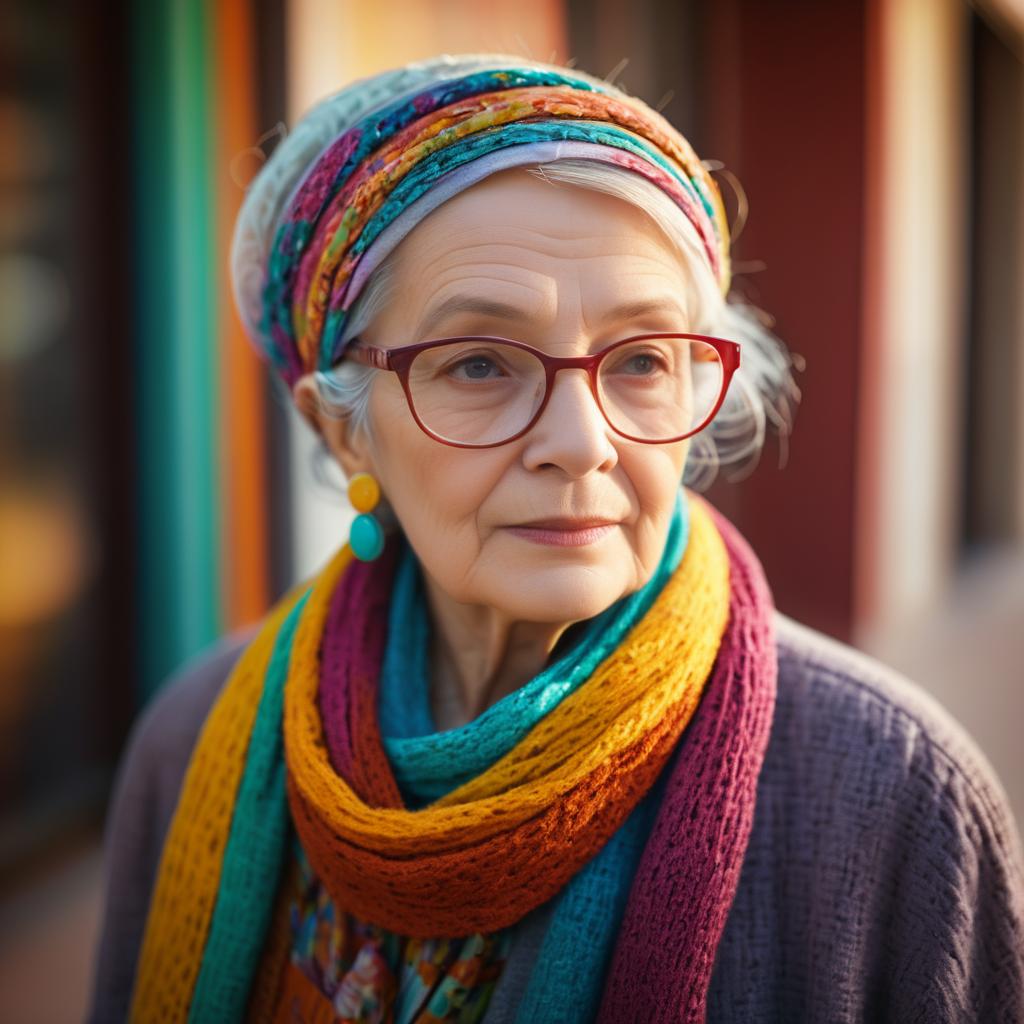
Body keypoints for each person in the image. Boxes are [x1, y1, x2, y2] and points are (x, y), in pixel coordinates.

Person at [87, 53, 1024, 1023]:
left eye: (644, 359)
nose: (581, 445)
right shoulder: (201, 738)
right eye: (482, 363)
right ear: (339, 425)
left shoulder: (895, 796)